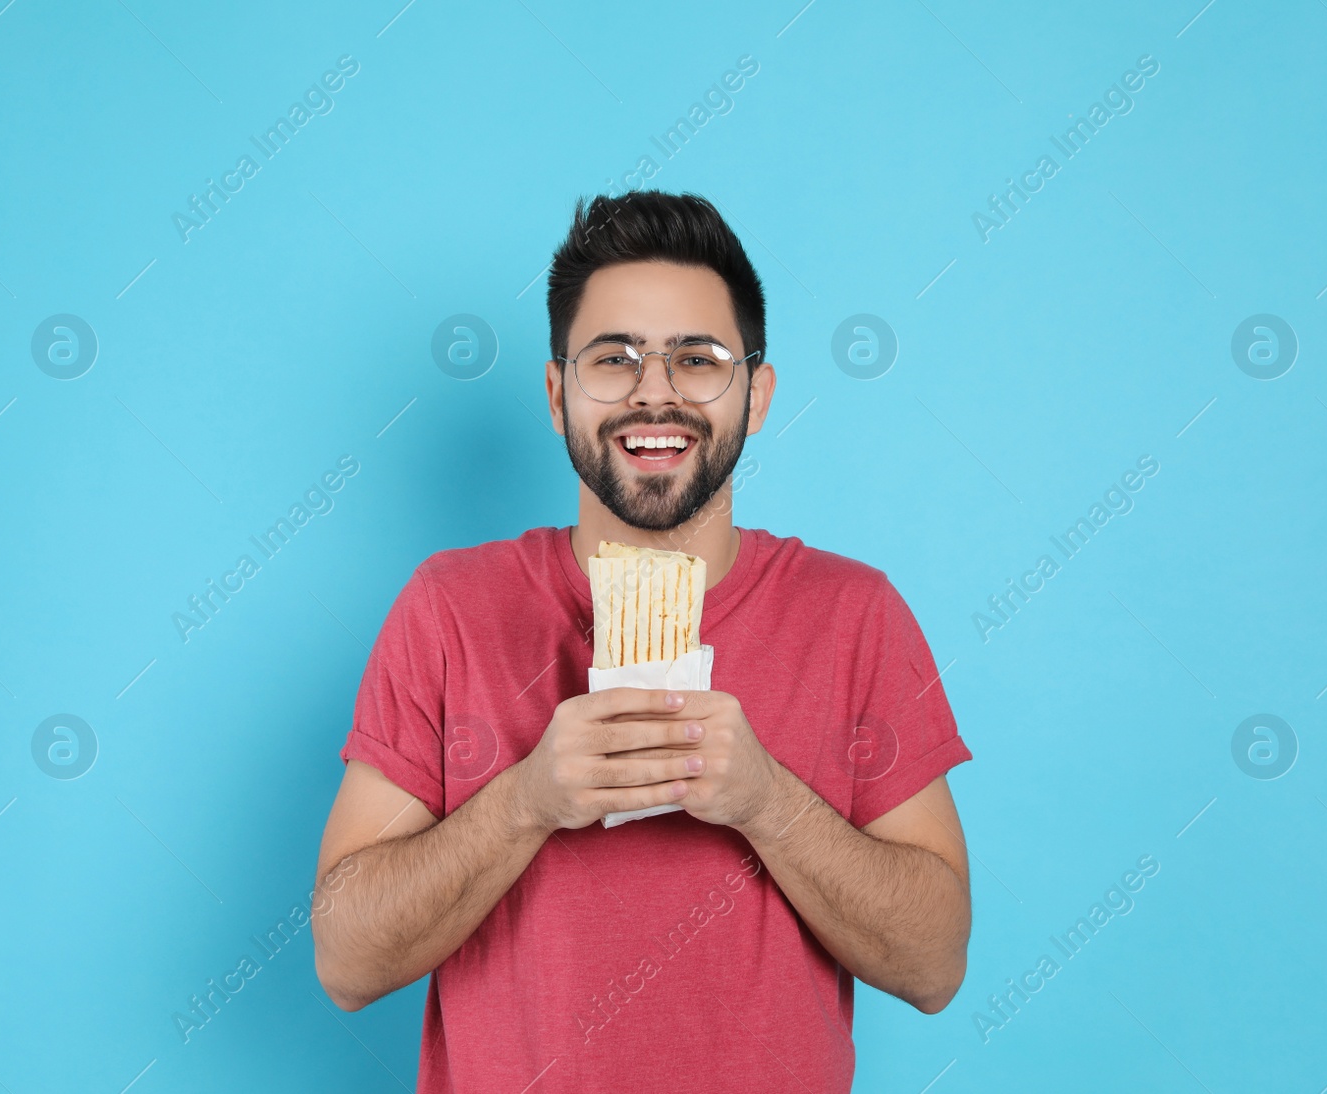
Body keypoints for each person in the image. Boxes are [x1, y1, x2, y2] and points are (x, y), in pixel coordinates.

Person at [311, 190, 974, 1094]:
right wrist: (528, 801)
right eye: (613, 358)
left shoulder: (855, 616)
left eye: (698, 359)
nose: (654, 391)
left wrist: (764, 800)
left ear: (758, 393)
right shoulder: (449, 609)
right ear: (556, 394)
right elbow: (346, 962)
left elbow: (935, 965)